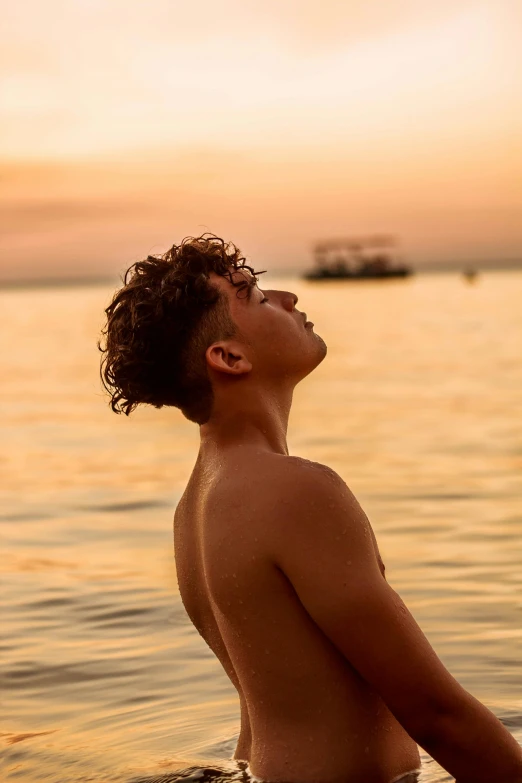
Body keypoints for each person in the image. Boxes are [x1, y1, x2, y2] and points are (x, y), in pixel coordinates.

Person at [99, 234, 522, 783]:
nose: (288, 297)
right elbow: (439, 718)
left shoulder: (196, 506)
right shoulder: (295, 492)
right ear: (229, 357)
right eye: (252, 295)